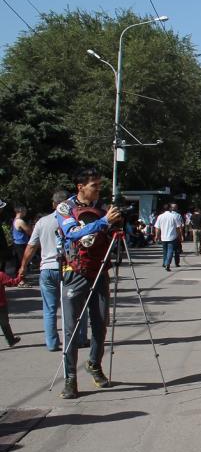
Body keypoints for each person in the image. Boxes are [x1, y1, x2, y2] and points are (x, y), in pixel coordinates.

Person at [56, 167, 122, 399]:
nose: (98, 189)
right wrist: (104, 221)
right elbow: (72, 233)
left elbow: (112, 230)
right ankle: (70, 378)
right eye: (94, 185)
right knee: (72, 329)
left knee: (101, 323)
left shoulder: (103, 207)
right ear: (80, 187)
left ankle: (94, 363)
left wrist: (115, 225)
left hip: (100, 271)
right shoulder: (66, 208)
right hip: (75, 272)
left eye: (99, 185)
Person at [18, 190, 70, 351]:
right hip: (68, 268)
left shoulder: (42, 222)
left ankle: (52, 343)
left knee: (49, 309)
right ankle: (77, 338)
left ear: (53, 204)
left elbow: (31, 246)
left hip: (47, 269)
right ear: (68, 204)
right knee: (73, 306)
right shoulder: (72, 220)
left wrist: (23, 266)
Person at [153, 204, 183, 271]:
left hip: (163, 237)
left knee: (165, 251)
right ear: (170, 208)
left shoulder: (160, 216)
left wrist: (156, 236)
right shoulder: (174, 216)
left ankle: (164, 262)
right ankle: (167, 264)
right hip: (172, 237)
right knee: (170, 251)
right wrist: (180, 236)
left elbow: (157, 228)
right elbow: (178, 228)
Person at [0, 267, 23, 347]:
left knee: (5, 324)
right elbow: (11, 282)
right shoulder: (0, 275)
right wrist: (20, 277)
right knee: (5, 324)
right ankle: (11, 340)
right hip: (1, 305)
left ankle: (11, 340)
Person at [12, 206, 32, 282]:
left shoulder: (15, 220)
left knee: (19, 262)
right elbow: (29, 231)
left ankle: (19, 279)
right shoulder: (20, 221)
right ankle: (21, 280)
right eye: (25, 210)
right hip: (21, 244)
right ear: (20, 211)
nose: (26, 212)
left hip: (17, 243)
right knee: (22, 263)